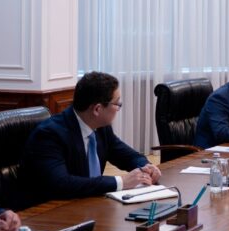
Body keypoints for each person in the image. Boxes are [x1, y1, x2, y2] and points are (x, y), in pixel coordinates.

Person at [20, 72, 160, 205]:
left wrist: (145, 167)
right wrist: (121, 182)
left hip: (88, 204)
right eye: (117, 104)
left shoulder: (100, 127)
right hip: (48, 211)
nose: (118, 108)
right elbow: (62, 184)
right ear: (97, 109)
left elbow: (125, 154)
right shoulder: (50, 134)